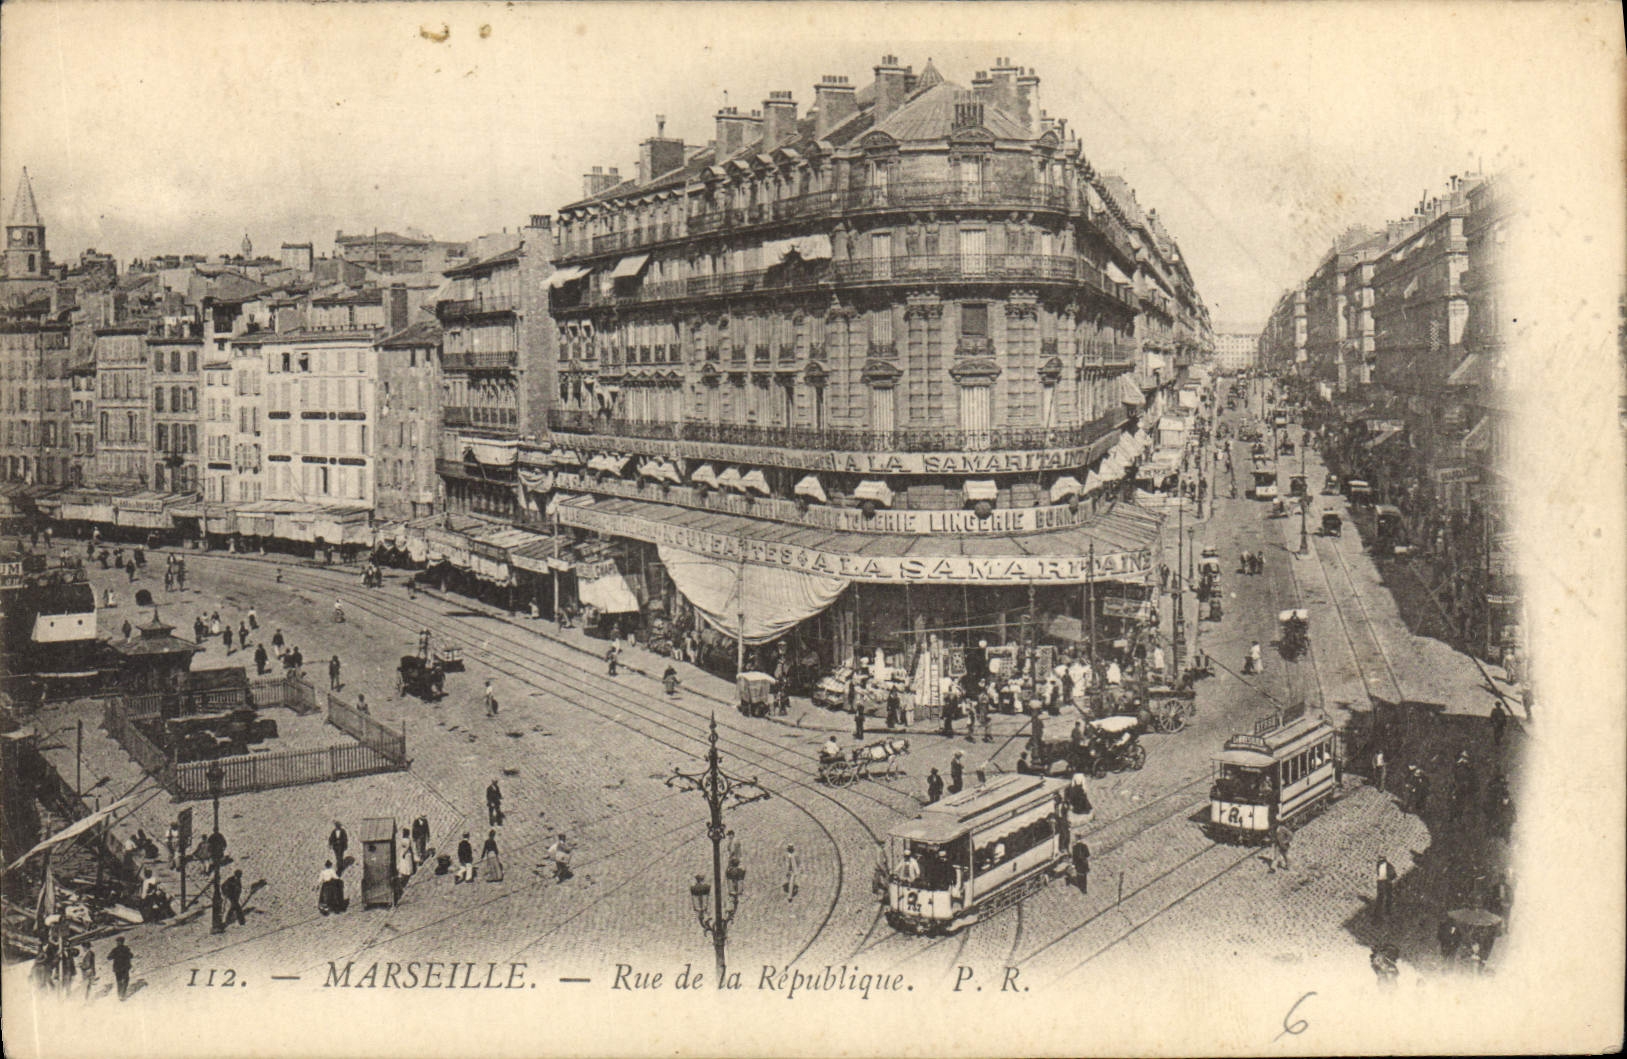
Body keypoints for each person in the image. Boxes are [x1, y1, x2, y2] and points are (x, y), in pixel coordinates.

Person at [109, 936, 133, 1001]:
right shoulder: (126, 949)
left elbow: (109, 957)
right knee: (125, 980)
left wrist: (114, 956)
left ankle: (119, 994)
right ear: (123, 942)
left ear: (117, 942)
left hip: (117, 968)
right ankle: (122, 994)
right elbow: (131, 956)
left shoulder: (114, 950)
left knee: (119, 981)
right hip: (125, 967)